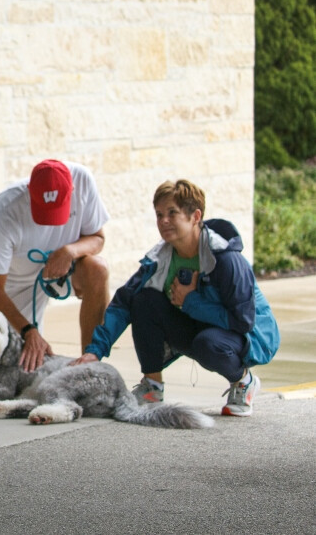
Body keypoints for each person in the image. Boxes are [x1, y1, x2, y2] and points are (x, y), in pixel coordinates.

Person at [74, 179, 280, 417]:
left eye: (173, 213)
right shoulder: (160, 258)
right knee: (142, 299)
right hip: (202, 326)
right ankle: (152, 387)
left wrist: (191, 302)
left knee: (208, 344)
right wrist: (95, 351)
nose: (164, 221)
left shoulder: (225, 259)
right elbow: (123, 303)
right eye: (159, 214)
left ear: (195, 216)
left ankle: (243, 381)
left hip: (247, 336)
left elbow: (243, 320)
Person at [0, 159, 111, 372]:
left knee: (98, 269)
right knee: (15, 367)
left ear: (73, 189)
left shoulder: (83, 180)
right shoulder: (7, 207)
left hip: (64, 268)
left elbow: (98, 238)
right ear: (29, 190)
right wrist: (28, 331)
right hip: (19, 280)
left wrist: (70, 251)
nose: (50, 222)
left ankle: (91, 365)